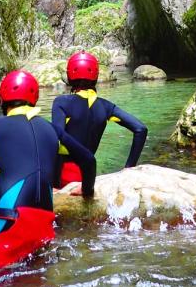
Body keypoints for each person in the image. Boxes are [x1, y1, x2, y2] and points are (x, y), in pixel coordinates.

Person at [0, 69, 96, 281]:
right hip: (44, 224)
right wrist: (87, 191)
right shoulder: (53, 130)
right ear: (34, 99)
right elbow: (88, 160)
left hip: (10, 217)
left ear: (2, 98)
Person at [51, 51, 148, 189]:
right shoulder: (106, 106)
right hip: (88, 176)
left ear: (70, 75)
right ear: (95, 76)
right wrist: (129, 168)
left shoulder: (61, 103)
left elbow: (56, 144)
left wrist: (53, 186)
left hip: (64, 177)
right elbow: (141, 129)